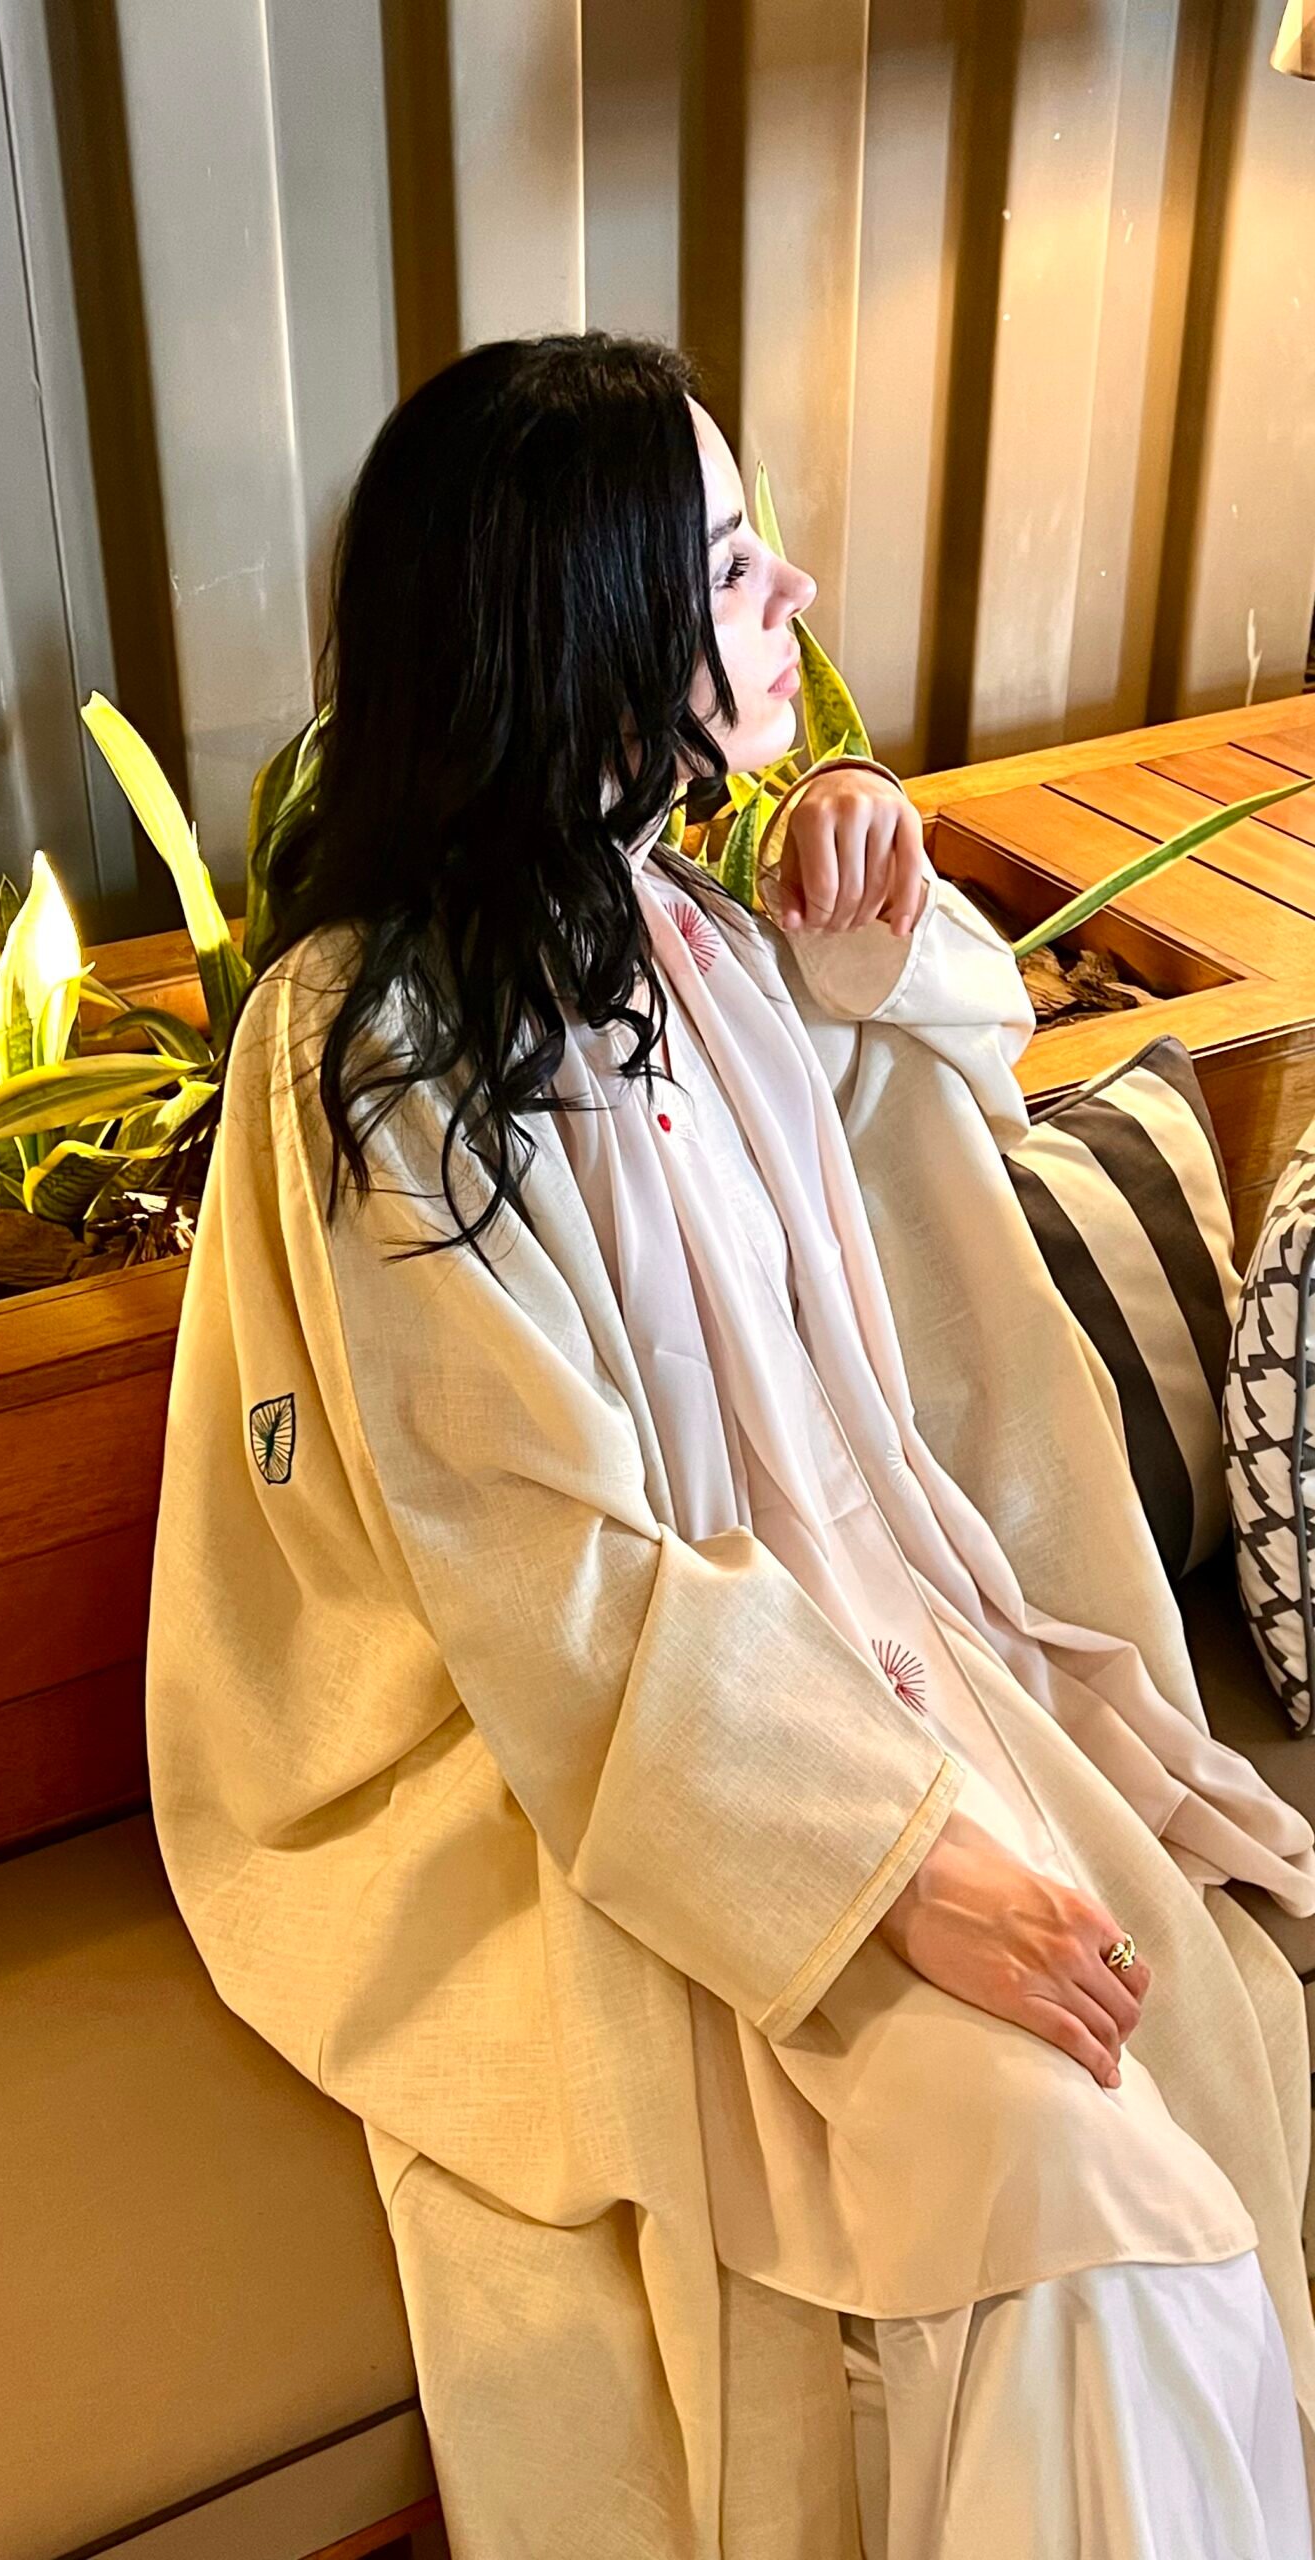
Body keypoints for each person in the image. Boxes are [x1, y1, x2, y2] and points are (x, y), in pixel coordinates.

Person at [143, 330, 1315, 2557]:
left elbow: (918, 1171)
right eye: (729, 564)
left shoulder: (675, 929)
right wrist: (886, 1868)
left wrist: (869, 925)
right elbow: (543, 1579)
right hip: (599, 1777)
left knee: (1149, 2122)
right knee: (1076, 2193)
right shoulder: (369, 1057)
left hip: (845, 1670)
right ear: (582, 629)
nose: (793, 594)